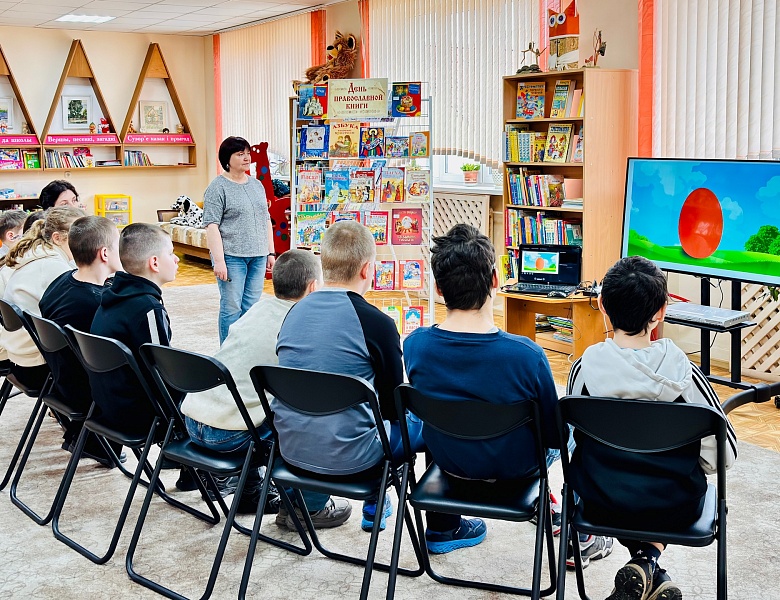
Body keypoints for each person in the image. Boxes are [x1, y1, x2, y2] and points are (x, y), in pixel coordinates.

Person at [566, 256, 738, 600]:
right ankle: (648, 562)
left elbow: (572, 443)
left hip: (602, 501)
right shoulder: (686, 375)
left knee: (618, 485)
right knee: (657, 492)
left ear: (602, 305)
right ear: (661, 311)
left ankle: (646, 566)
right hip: (674, 506)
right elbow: (724, 456)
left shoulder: (582, 370)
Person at [403, 224, 563, 554]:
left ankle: (443, 527)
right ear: (494, 280)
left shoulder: (415, 345)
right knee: (571, 427)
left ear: (437, 289)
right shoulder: (526, 355)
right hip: (514, 470)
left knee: (440, 413)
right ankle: (563, 513)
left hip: (451, 462)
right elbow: (552, 435)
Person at [275, 220, 424, 532]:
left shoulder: (293, 314)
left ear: (322, 263)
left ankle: (365, 501)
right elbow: (392, 404)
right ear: (368, 270)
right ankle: (382, 504)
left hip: (292, 450)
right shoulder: (377, 323)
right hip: (354, 458)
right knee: (422, 419)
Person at [180, 249, 323, 515]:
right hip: (230, 436)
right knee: (303, 412)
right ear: (313, 287)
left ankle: (250, 492)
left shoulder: (258, 308)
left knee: (256, 399)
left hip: (192, 421)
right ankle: (304, 507)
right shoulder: (302, 324)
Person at [39, 216, 124, 466]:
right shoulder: (97, 305)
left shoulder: (61, 282)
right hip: (89, 396)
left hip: (62, 384)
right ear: (105, 253)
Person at [90, 223, 179, 435]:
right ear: (154, 263)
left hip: (106, 403)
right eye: (171, 253)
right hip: (137, 415)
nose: (176, 259)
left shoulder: (113, 293)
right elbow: (161, 370)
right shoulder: (147, 308)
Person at [1, 206, 85, 390]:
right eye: (78, 235)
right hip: (36, 366)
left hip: (19, 356)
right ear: (57, 237)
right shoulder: (53, 265)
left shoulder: (38, 253)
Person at [204, 136, 277, 344]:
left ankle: (245, 348)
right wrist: (219, 261)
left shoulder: (256, 185)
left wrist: (270, 252)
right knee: (231, 306)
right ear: (227, 158)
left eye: (247, 153)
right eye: (240, 154)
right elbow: (212, 226)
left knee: (251, 306)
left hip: (258, 255)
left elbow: (265, 220)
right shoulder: (218, 187)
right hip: (232, 257)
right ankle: (227, 352)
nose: (247, 158)